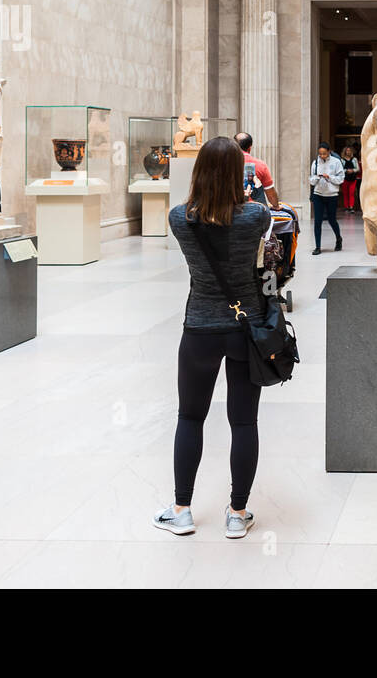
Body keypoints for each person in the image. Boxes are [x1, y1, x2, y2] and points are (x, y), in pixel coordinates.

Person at [155, 137, 271, 540]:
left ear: (198, 171)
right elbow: (267, 220)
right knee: (243, 421)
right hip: (245, 327)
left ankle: (181, 510)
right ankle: (237, 513)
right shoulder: (255, 215)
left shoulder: (178, 217)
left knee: (190, 417)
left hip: (200, 327)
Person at [308, 141, 345, 254]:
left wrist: (329, 177)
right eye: (320, 154)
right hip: (318, 194)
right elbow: (311, 180)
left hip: (332, 195)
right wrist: (317, 178)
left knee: (332, 220)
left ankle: (338, 238)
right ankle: (318, 247)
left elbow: (341, 178)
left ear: (329, 152)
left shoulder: (336, 162)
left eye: (324, 153)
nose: (322, 156)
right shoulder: (315, 163)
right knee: (317, 221)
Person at [234, 132, 279, 207]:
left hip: (228, 212)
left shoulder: (224, 163)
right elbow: (271, 194)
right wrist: (276, 206)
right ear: (250, 147)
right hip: (254, 210)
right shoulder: (260, 165)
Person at [340, 144, 360, 212]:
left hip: (353, 178)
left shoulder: (354, 159)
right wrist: (346, 170)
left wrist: (352, 170)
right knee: (345, 193)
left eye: (349, 151)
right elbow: (340, 169)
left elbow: (358, 168)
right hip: (345, 178)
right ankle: (346, 207)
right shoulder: (342, 160)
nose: (348, 152)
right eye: (347, 151)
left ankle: (351, 207)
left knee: (351, 193)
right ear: (345, 151)